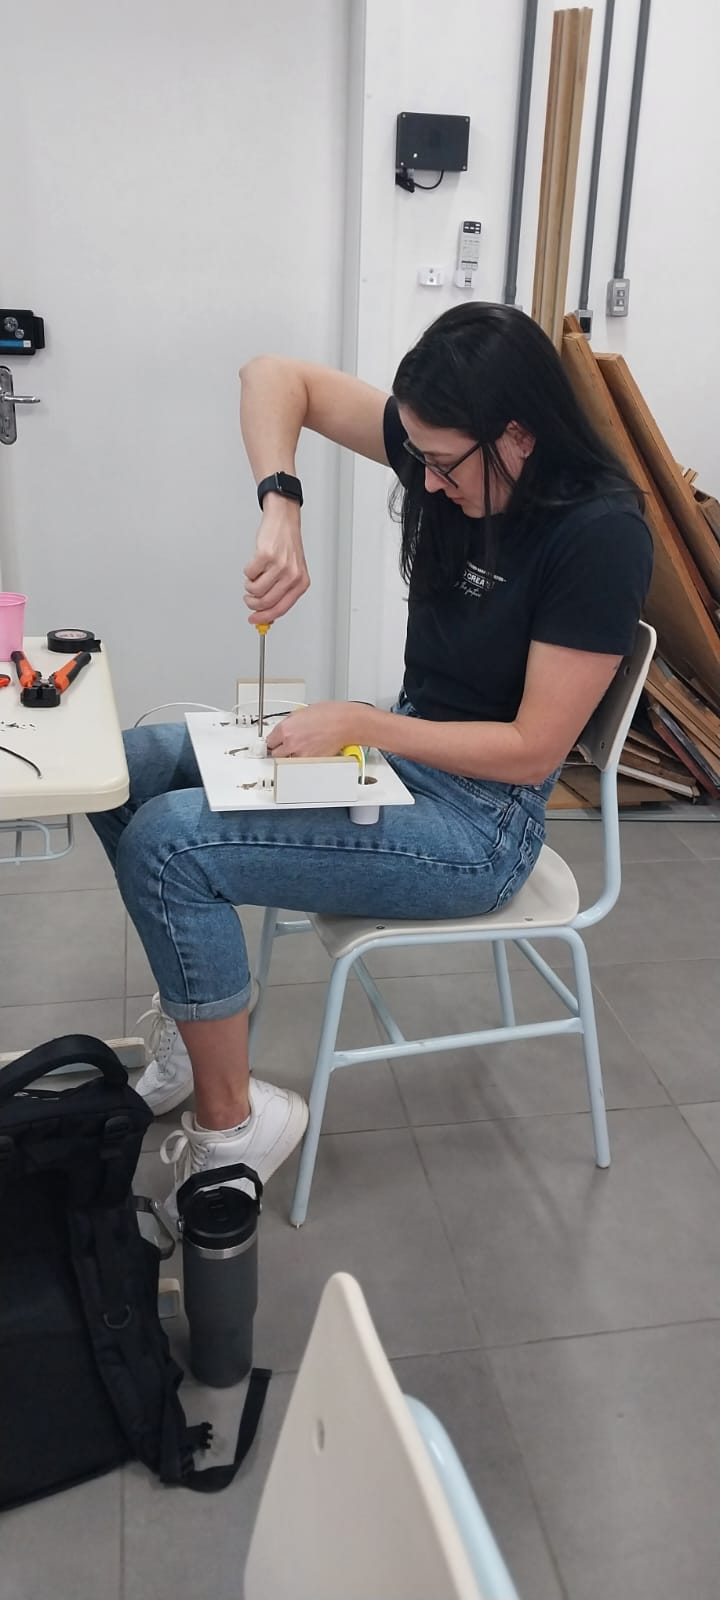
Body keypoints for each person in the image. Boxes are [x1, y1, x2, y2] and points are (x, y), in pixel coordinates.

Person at [90, 303, 652, 1210]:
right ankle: (198, 1032)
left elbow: (531, 751)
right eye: (417, 456)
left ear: (518, 435)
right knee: (128, 770)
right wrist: (282, 505)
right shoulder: (449, 445)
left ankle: (235, 1127)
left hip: (479, 825)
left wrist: (363, 725)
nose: (426, 481)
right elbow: (273, 374)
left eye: (443, 464)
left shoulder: (599, 533)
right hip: (406, 755)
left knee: (169, 846)